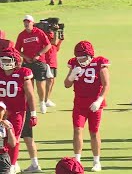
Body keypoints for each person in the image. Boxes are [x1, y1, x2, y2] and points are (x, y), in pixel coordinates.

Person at [64, 41, 110, 172]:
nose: (81, 61)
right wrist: (72, 75)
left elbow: (106, 84)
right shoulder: (74, 63)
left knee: (94, 132)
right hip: (79, 102)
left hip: (95, 102)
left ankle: (96, 161)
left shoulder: (100, 63)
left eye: (84, 58)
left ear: (90, 55)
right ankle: (77, 160)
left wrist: (99, 100)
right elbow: (66, 84)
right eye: (79, 58)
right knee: (77, 130)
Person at [0, 47, 37, 173]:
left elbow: (30, 95)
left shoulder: (23, 73)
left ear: (15, 61)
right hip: (1, 112)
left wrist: (33, 114)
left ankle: (12, 165)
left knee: (13, 140)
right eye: (2, 60)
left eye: (7, 61)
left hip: (17, 112)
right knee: (2, 140)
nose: (4, 63)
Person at [15, 15, 52, 114]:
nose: (26, 24)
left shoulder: (39, 32)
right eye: (25, 22)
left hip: (39, 62)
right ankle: (30, 107)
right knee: (29, 86)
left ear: (32, 23)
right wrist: (25, 57)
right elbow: (17, 50)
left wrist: (39, 54)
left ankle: (42, 103)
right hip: (27, 63)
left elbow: (48, 45)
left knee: (40, 84)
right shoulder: (21, 35)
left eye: (28, 22)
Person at [45, 25, 62, 107]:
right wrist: (56, 32)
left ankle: (47, 99)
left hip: (53, 61)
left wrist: (60, 40)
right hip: (46, 61)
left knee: (52, 81)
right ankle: (45, 100)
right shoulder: (44, 35)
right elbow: (53, 42)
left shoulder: (53, 34)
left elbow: (56, 47)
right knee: (49, 80)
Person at [0, 101, 16, 174]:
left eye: (1, 109)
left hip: (2, 157)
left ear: (4, 112)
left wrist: (9, 129)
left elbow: (13, 144)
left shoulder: (7, 124)